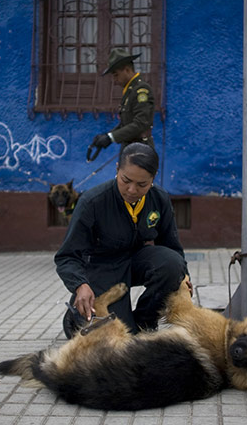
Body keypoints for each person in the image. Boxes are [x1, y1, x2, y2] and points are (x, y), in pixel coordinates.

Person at [55, 143, 191, 338]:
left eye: (142, 184)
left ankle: (145, 321)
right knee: (119, 337)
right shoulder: (92, 202)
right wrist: (80, 285)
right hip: (103, 268)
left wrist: (184, 277)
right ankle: (75, 316)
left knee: (172, 265)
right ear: (117, 168)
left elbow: (171, 246)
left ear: (153, 178)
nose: (132, 190)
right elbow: (66, 256)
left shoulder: (159, 199)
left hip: (136, 259)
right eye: (125, 180)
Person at [91, 49, 155, 151]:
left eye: (116, 74)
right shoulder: (130, 90)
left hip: (140, 149)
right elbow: (126, 123)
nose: (115, 80)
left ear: (127, 70)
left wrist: (111, 137)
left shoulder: (141, 90)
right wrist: (107, 135)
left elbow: (140, 123)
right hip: (130, 148)